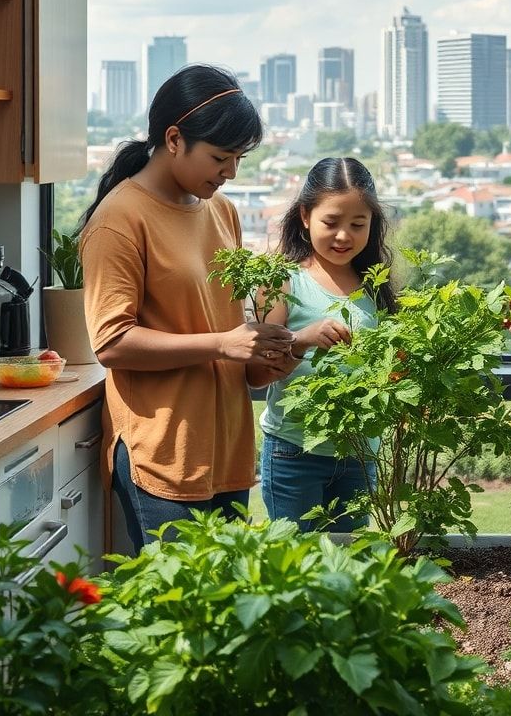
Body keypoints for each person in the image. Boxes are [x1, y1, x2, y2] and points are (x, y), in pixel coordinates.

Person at [78, 65, 295, 553]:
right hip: (164, 455)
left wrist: (273, 351)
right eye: (221, 157)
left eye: (238, 158)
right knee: (176, 623)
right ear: (174, 139)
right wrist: (223, 343)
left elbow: (227, 336)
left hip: (227, 450)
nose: (231, 172)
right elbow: (111, 343)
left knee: (224, 618)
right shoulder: (119, 221)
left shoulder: (222, 212)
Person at [248, 157, 398, 531]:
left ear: (372, 225)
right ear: (304, 216)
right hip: (293, 452)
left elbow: (394, 366)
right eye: (330, 223)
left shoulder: (376, 285)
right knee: (296, 566)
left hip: (360, 453)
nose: (343, 236)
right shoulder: (283, 280)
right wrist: (301, 340)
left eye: (357, 224)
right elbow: (255, 374)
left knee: (347, 567)